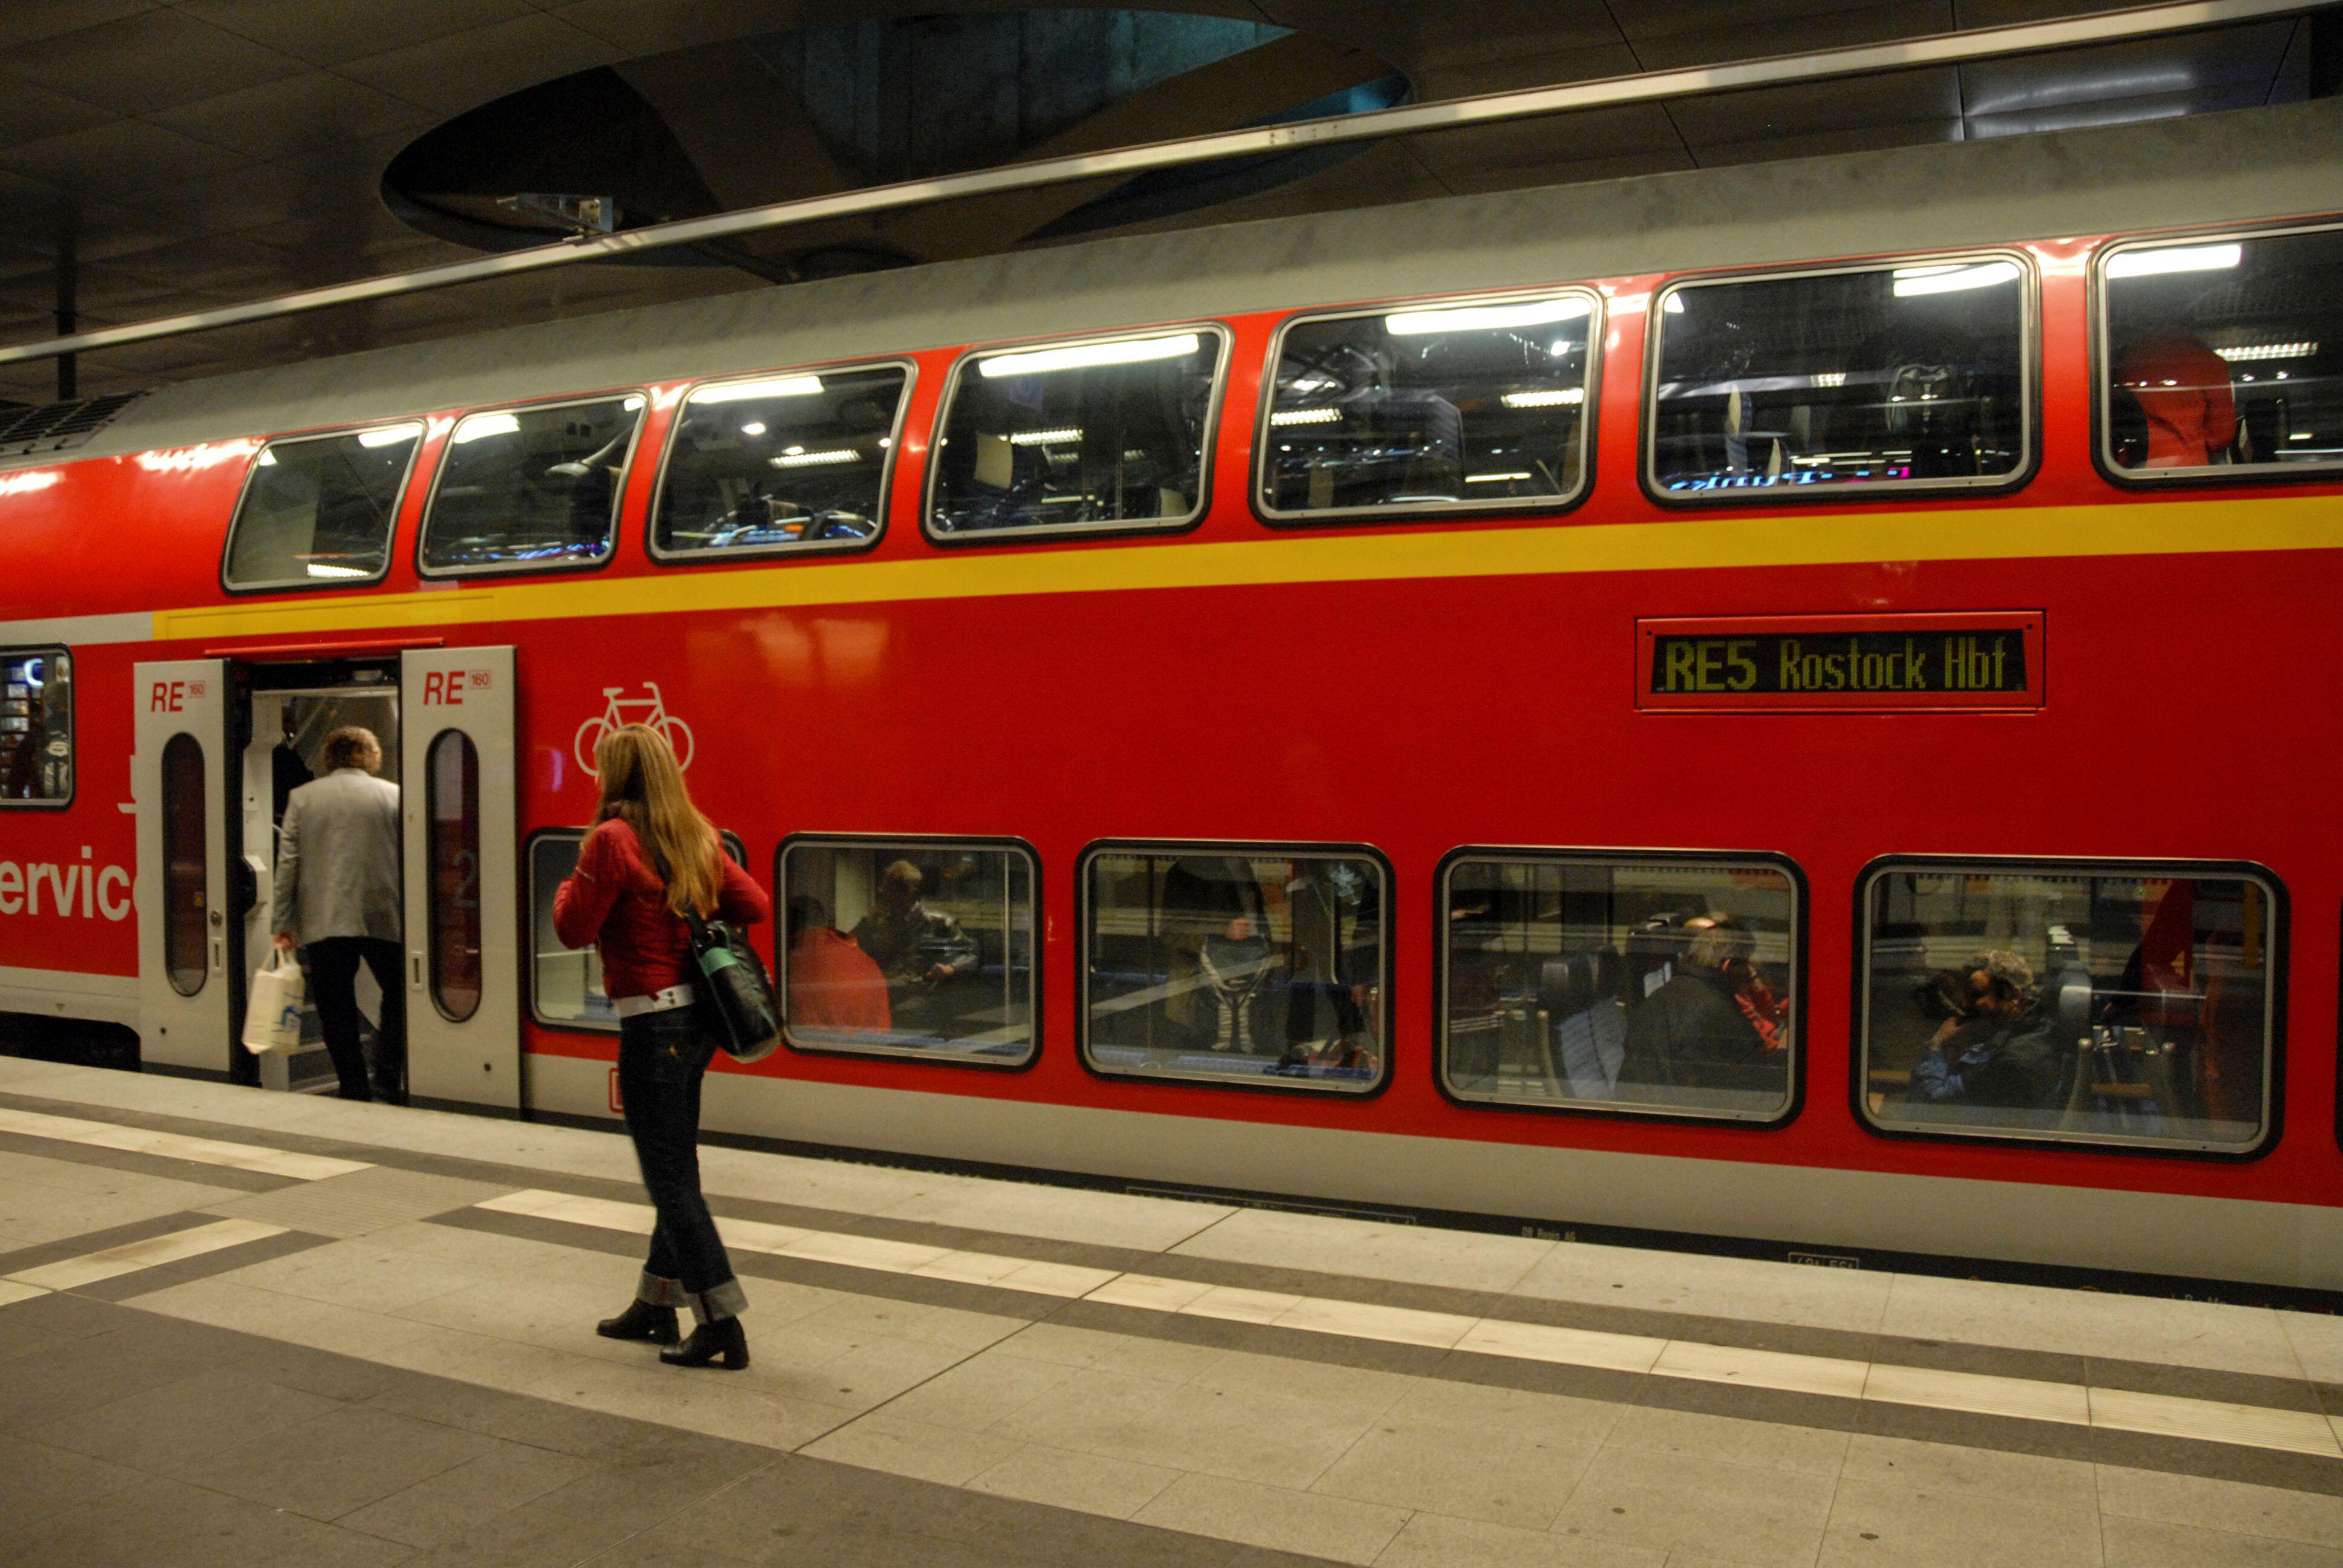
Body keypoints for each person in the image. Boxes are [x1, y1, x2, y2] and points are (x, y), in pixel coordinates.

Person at [554, 723, 767, 1371]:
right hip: (697, 1024)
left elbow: (572, 928)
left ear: (613, 775)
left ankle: (720, 1321)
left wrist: (570, 885)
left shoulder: (611, 840)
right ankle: (655, 1303)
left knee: (669, 1180)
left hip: (652, 1026)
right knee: (678, 1167)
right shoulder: (696, 833)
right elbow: (753, 903)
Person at [271, 727, 404, 1103]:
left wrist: (282, 923)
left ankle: (353, 1086)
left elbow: (288, 864)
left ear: (329, 756)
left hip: (325, 918)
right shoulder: (393, 795)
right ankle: (387, 1074)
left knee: (335, 1006)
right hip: (384, 914)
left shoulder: (303, 798)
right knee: (400, 992)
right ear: (372, 755)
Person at [1616, 914, 1778, 1097]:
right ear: (1728, 965)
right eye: (1746, 963)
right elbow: (1752, 1073)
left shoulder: (1662, 997)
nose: (1749, 972)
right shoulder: (1717, 1009)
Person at [1906, 949, 2062, 1112]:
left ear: (2012, 994)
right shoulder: (2036, 1027)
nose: (1966, 1004)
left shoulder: (2012, 1061)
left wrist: (1936, 1044)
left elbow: (1931, 1099)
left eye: (1976, 995)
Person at [851, 860, 978, 1036]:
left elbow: (971, 954)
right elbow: (848, 947)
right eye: (884, 890)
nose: (885, 895)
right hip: (885, 994)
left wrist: (951, 968)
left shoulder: (938, 922)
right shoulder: (878, 922)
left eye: (891, 890)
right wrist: (868, 923)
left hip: (924, 997)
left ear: (909, 891)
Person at [784, 894, 891, 1034]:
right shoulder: (866, 962)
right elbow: (882, 1029)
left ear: (785, 926)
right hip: (865, 1046)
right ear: (824, 921)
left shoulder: (786, 963)